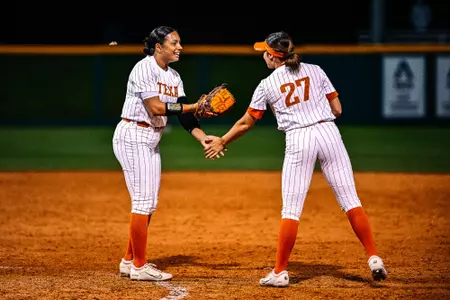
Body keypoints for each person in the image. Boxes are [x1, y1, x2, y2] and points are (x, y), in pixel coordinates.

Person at [204, 31, 387, 287]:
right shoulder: (316, 69)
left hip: (299, 139)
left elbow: (247, 123)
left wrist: (223, 139)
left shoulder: (267, 84)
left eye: (264, 52)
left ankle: (280, 272)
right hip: (328, 133)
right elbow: (337, 109)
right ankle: (374, 257)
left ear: (272, 56)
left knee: (291, 210)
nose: (262, 56)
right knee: (351, 201)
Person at [112, 26, 223, 281]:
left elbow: (183, 114)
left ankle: (129, 261)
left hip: (151, 138)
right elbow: (156, 107)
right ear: (158, 46)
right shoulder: (143, 68)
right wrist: (195, 105)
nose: (179, 47)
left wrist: (201, 136)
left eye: (180, 42)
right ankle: (140, 267)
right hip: (133, 134)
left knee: (149, 202)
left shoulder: (174, 77)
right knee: (142, 202)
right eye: (174, 43)